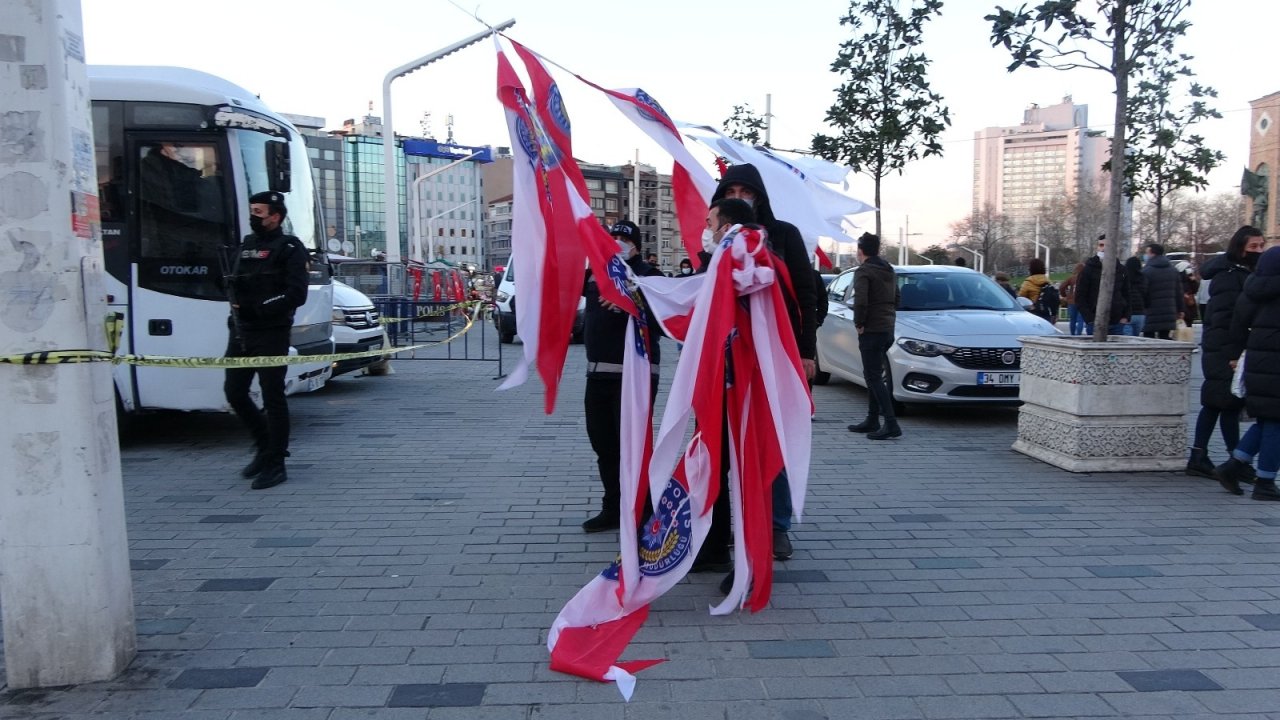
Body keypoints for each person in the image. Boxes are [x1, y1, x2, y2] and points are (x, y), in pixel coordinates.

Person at [704, 164, 818, 566]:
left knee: (775, 436)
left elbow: (806, 295)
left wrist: (806, 351)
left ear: (759, 194)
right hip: (729, 356)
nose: (739, 195)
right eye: (730, 189)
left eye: (745, 190)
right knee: (724, 441)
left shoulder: (783, 235)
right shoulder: (715, 240)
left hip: (775, 355)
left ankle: (776, 526)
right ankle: (724, 527)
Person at [580, 220, 664, 532]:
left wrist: (630, 298)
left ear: (637, 245)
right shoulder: (596, 272)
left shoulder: (649, 275)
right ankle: (613, 507)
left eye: (623, 238)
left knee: (634, 446)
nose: (617, 242)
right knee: (604, 444)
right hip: (598, 374)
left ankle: (643, 510)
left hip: (636, 376)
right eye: (612, 237)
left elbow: (663, 318)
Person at [223, 191, 309, 490]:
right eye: (252, 210)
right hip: (241, 331)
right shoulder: (246, 246)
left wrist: (259, 309)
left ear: (276, 216)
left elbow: (296, 294)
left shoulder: (289, 248)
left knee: (272, 397)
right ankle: (264, 446)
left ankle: (276, 462)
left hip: (271, 331)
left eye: (259, 212)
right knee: (234, 391)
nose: (253, 216)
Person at [1188, 226, 1266, 478]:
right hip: (1223, 348)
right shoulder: (1229, 274)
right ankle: (1200, 456)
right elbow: (1226, 318)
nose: (1259, 251)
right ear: (1240, 247)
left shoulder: (1242, 271)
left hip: (1231, 346)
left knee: (1229, 404)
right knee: (1216, 402)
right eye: (1253, 246)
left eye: (1261, 246)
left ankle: (1234, 459)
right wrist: (1233, 353)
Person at [1214, 246, 1280, 500]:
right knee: (1275, 421)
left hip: (1257, 359)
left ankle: (1233, 466)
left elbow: (1239, 322)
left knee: (1266, 419)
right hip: (1276, 361)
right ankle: (1265, 481)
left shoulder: (1252, 288)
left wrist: (1234, 355)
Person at [847, 233, 901, 440]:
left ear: (860, 250)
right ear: (877, 249)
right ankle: (872, 419)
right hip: (887, 328)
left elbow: (860, 301)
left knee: (873, 377)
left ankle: (890, 423)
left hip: (871, 329)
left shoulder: (864, 271)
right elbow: (897, 298)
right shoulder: (889, 269)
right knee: (874, 373)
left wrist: (859, 323)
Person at [1076, 236, 1130, 335]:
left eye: (1107, 245)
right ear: (1097, 247)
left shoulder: (1121, 270)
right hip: (1095, 322)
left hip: (1117, 322)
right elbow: (1080, 296)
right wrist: (1089, 319)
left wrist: (1125, 317)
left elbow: (1127, 294)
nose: (1104, 248)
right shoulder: (1088, 269)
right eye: (1101, 245)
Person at [1141, 243, 1184, 340]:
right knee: (1165, 338)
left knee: (1148, 339)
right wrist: (1180, 309)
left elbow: (1143, 292)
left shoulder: (1147, 271)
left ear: (1152, 253)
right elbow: (1178, 291)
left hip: (1151, 311)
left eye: (1147, 253)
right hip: (1169, 311)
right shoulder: (1173, 270)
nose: (1146, 255)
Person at [1018, 258, 1053, 322]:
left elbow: (1021, 297)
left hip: (1033, 312)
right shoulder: (1048, 281)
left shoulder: (1028, 282)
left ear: (1031, 269)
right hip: (1047, 311)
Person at [1124, 256, 1147, 337]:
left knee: (1127, 342)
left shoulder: (1124, 277)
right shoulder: (1143, 278)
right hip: (1140, 313)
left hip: (1127, 314)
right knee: (1137, 338)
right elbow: (1146, 294)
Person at [1060, 263, 1085, 336]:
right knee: (1080, 320)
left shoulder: (1071, 278)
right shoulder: (1086, 278)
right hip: (1082, 301)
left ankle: (1073, 335)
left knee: (1072, 320)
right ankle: (1079, 335)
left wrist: (1064, 295)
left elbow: (1062, 286)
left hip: (1071, 301)